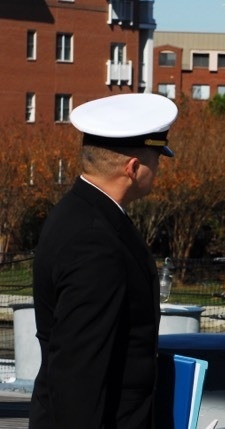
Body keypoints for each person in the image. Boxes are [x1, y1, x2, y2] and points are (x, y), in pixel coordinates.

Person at [29, 93, 178, 429]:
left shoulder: (82, 213)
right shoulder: (96, 238)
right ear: (133, 168)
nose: (157, 168)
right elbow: (80, 365)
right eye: (156, 159)